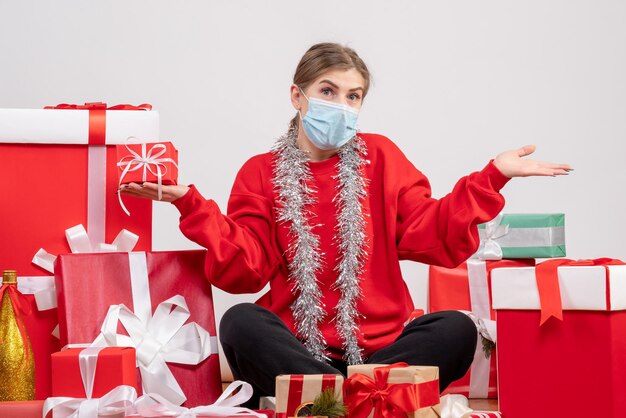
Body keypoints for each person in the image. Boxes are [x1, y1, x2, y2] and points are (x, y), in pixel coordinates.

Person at [120, 42, 571, 405]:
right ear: (297, 96)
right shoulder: (260, 172)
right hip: (295, 348)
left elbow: (431, 231)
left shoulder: (382, 157)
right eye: (328, 91)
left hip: (383, 348)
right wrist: (191, 205)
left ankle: (329, 398)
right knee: (240, 322)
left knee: (455, 328)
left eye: (353, 96)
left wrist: (493, 175)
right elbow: (247, 269)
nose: (341, 105)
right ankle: (360, 398)